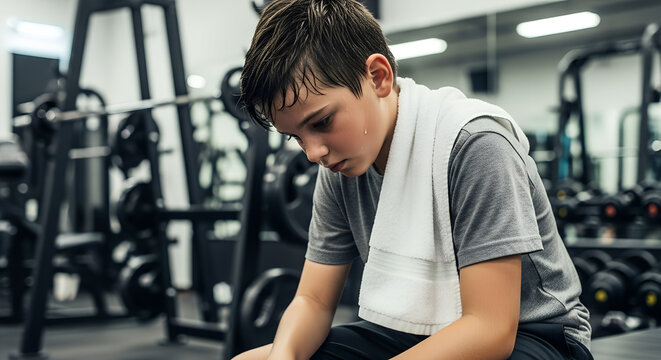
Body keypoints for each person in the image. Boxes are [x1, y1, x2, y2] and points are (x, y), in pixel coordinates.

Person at [236, 0, 593, 359]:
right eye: (296, 137)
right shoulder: (338, 167)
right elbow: (312, 300)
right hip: (414, 330)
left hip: (534, 334)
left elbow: (491, 329)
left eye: (322, 122)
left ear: (378, 77)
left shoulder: (476, 144)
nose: (313, 153)